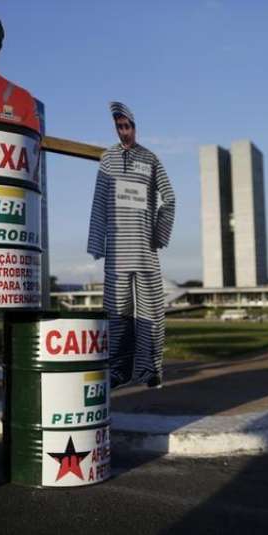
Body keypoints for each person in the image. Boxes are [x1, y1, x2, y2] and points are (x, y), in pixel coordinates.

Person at [87, 102, 175, 389]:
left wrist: (158, 235)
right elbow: (99, 201)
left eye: (127, 126)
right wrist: (96, 242)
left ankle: (150, 371)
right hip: (117, 254)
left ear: (135, 127)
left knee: (151, 313)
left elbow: (170, 198)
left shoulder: (150, 159)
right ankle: (118, 371)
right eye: (119, 126)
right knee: (117, 315)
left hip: (146, 253)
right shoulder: (108, 159)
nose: (123, 131)